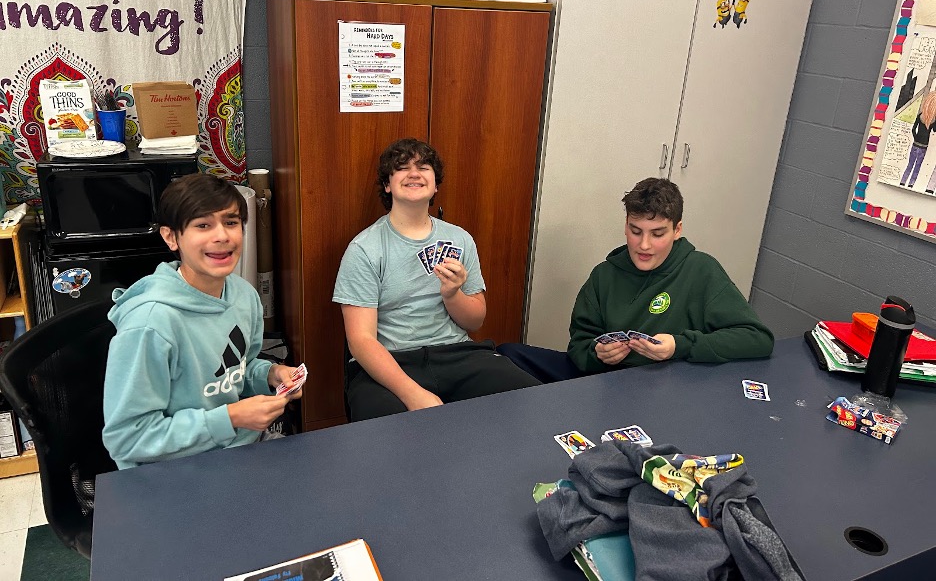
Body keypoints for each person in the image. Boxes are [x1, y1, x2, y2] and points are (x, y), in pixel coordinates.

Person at [333, 138, 541, 421]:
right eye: (402, 168)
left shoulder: (459, 239)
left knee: (532, 401)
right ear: (387, 185)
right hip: (392, 361)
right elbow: (361, 340)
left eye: (424, 167)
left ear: (435, 184)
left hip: (458, 354)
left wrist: (453, 293)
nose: (414, 173)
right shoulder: (364, 249)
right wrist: (412, 393)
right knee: (384, 430)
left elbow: (475, 321)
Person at [103, 174, 302, 469]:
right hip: (174, 471)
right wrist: (231, 417)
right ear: (171, 237)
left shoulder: (244, 295)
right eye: (203, 225)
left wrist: (270, 375)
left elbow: (235, 371)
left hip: (241, 449)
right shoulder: (150, 324)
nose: (222, 236)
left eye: (231, 222)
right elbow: (127, 439)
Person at [498, 177, 773, 380]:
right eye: (635, 230)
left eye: (657, 233)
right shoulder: (603, 275)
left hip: (670, 384)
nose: (644, 245)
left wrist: (680, 346)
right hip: (609, 382)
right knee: (508, 353)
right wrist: (598, 354)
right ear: (626, 225)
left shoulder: (702, 270)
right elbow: (579, 347)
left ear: (677, 230)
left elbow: (757, 339)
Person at [900, 91, 936, 188]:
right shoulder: (933, 119)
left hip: (915, 144)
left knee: (910, 164)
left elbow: (913, 129)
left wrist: (916, 138)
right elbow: (935, 130)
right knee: (917, 166)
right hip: (924, 146)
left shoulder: (920, 115)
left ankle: (902, 182)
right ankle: (911, 184)